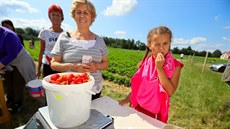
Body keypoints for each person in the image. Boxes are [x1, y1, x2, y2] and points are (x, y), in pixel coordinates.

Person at [119, 26, 184, 123]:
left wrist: (159, 69)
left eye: (165, 43)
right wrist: (127, 99)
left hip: (154, 115)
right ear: (149, 45)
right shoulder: (146, 62)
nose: (161, 48)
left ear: (170, 43)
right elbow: (138, 86)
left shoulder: (175, 66)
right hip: (137, 107)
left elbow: (170, 91)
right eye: (157, 44)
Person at [50, 0, 109, 100]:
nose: (82, 15)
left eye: (86, 12)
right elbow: (54, 64)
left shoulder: (99, 40)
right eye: (78, 12)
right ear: (74, 15)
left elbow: (106, 63)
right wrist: (73, 66)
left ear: (92, 16)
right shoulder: (64, 37)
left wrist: (96, 66)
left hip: (93, 89)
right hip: (69, 88)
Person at [0, 26, 36, 113]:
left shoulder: (8, 35)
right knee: (8, 82)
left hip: (21, 61)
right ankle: (10, 100)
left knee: (18, 82)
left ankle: (18, 103)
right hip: (7, 62)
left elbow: (13, 53)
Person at [36, 4, 64, 78]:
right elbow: (41, 51)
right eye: (53, 15)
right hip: (47, 64)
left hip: (60, 65)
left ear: (62, 17)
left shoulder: (66, 34)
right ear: (49, 16)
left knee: (60, 86)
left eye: (58, 15)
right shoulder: (44, 32)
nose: (55, 17)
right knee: (48, 87)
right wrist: (38, 69)